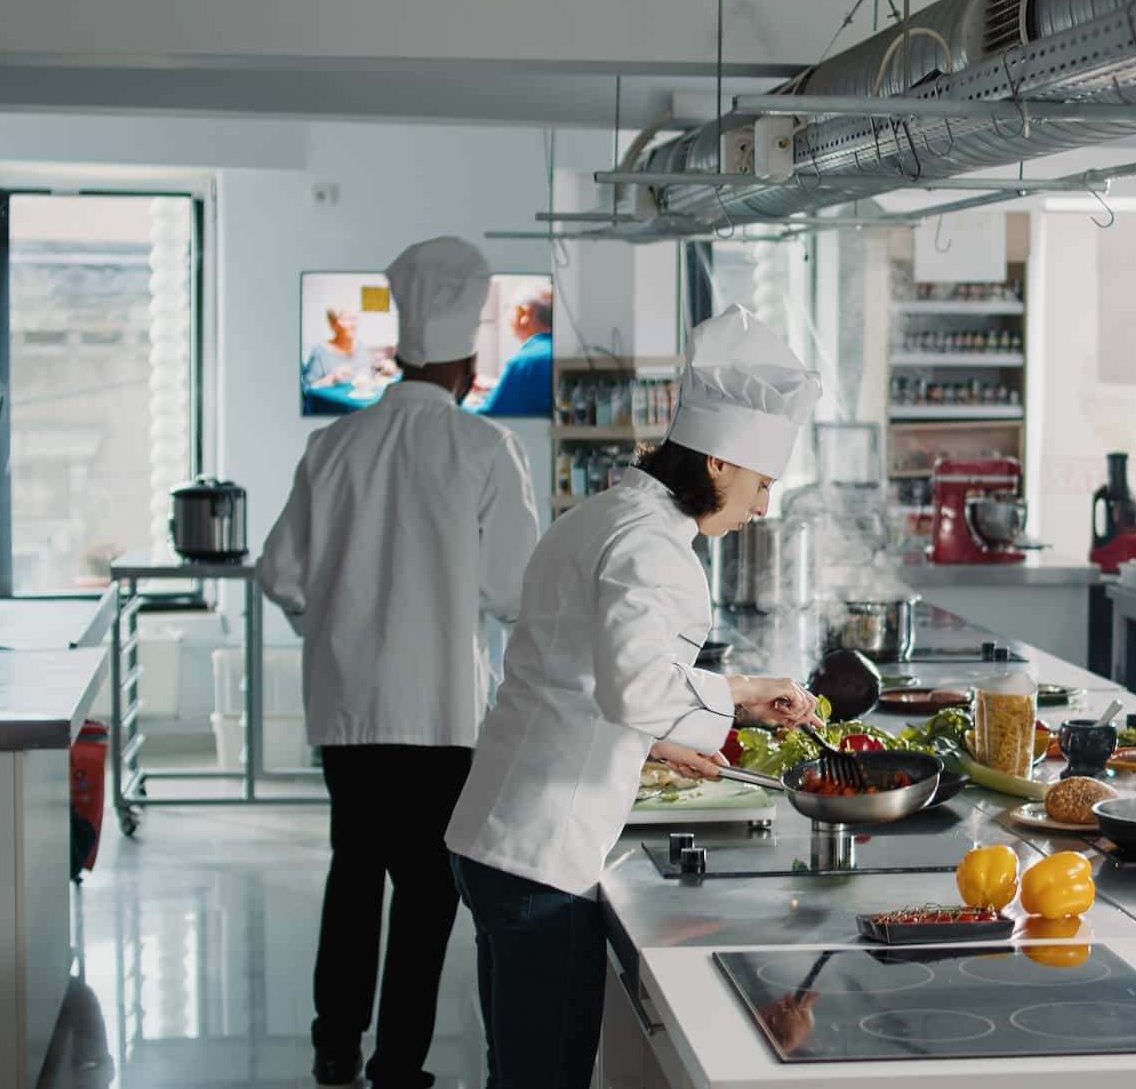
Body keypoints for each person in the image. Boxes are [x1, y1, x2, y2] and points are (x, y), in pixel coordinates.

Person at [444, 304, 825, 1088]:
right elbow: (637, 690)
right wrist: (744, 698)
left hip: (498, 832)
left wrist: (658, 743)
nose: (761, 508)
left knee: (514, 1072)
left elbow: (568, 675)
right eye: (760, 484)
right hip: (544, 853)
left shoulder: (603, 517)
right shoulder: (654, 547)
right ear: (717, 462)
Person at [260, 237, 543, 1089]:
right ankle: (396, 1066)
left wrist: (335, 626)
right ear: (463, 359)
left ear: (404, 351)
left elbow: (279, 573)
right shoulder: (485, 451)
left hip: (347, 707)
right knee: (427, 890)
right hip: (440, 707)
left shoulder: (334, 445)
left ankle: (333, 1044)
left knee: (354, 869)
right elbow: (513, 592)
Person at [475, 289, 553, 416]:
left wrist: (458, 401)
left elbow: (490, 415)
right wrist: (497, 387)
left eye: (508, 308)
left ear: (524, 313)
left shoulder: (527, 360)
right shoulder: (554, 350)